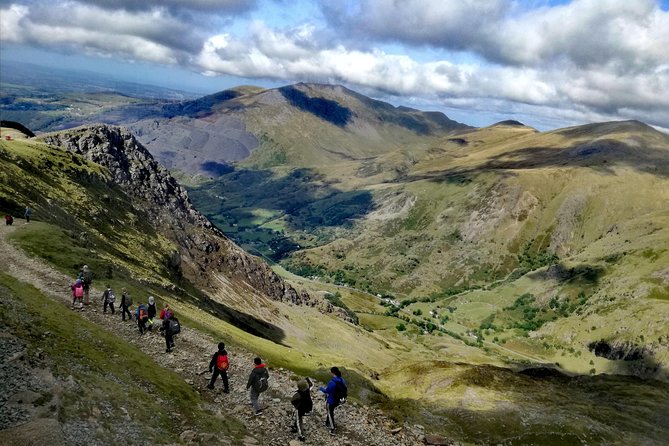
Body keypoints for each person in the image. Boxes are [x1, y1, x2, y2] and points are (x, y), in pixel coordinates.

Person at [319, 367, 346, 436]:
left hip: (331, 400)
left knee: (330, 413)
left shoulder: (332, 382)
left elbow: (327, 391)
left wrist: (321, 388)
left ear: (333, 373)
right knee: (330, 411)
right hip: (338, 400)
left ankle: (332, 428)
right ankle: (327, 423)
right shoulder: (342, 380)